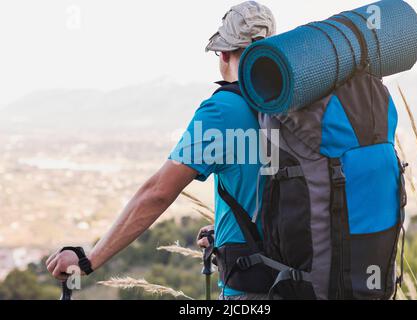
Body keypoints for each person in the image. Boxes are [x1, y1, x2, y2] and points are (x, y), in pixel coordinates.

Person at [46, 1, 276, 301]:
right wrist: (228, 231)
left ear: (223, 52)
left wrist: (89, 258)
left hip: (248, 292)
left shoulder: (223, 111)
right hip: (298, 279)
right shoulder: (289, 105)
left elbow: (157, 193)